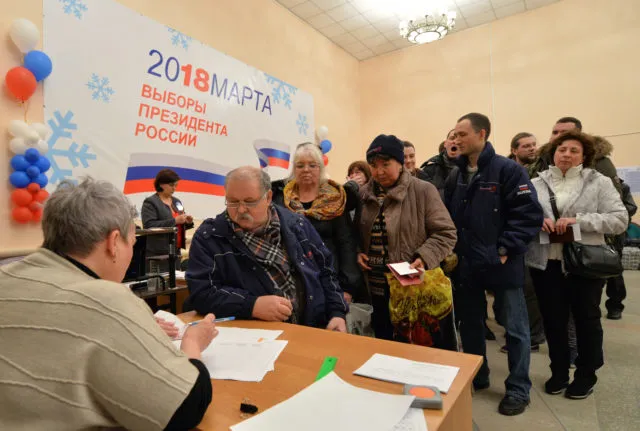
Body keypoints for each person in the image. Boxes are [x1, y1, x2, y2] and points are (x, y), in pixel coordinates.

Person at [0, 178, 216, 430]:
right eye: (132, 243)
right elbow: (185, 409)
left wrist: (128, 327)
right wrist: (192, 343)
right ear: (114, 242)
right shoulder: (107, 299)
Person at [445, 113, 544, 416]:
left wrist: (504, 248)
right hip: (467, 265)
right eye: (454, 135)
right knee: (471, 326)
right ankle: (478, 375)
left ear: (482, 134)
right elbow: (448, 218)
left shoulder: (508, 170)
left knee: (515, 329)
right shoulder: (455, 175)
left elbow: (528, 215)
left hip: (502, 263)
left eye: (462, 134)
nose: (456, 139)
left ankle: (518, 388)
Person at [525, 131, 627, 399]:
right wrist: (536, 222)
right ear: (553, 153)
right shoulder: (535, 184)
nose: (567, 155)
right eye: (562, 149)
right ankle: (558, 372)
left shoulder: (599, 182)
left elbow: (619, 220)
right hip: (547, 263)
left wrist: (579, 220)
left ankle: (586, 374)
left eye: (574, 150)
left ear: (584, 156)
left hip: (585, 264)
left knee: (587, 320)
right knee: (553, 321)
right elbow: (520, 216)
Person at [185, 166, 348, 332]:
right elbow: (201, 293)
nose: (241, 209)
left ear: (268, 197)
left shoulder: (297, 225)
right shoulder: (209, 237)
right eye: (233, 202)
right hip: (256, 338)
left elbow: (326, 271)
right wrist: (251, 305)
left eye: (250, 201)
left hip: (312, 330)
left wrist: (337, 313)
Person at [357, 134, 457, 349]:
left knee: (417, 347)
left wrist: (424, 257)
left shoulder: (423, 190)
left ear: (400, 163)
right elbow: (356, 232)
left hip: (413, 288)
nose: (379, 171)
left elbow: (446, 232)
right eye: (373, 165)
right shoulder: (363, 195)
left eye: (386, 164)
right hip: (376, 287)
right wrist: (359, 251)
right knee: (384, 344)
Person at [272, 143, 363, 303]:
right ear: (294, 169)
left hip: (329, 280)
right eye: (300, 165)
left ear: (320, 168)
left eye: (312, 165)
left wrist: (347, 287)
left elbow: (346, 244)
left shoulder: (334, 200)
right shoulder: (281, 200)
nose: (306, 170)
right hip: (292, 282)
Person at [500, 132, 547, 354]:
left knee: (529, 291)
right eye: (526, 145)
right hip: (514, 240)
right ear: (514, 149)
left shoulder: (543, 171)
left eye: (533, 145)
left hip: (534, 239)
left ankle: (534, 335)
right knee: (518, 292)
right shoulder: (505, 171)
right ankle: (518, 331)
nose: (532, 148)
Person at [141, 169, 194, 272]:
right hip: (158, 254)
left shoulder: (177, 201)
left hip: (176, 251)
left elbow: (178, 225)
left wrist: (187, 222)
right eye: (171, 185)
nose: (174, 188)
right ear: (161, 184)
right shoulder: (150, 202)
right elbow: (149, 226)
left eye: (176, 185)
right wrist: (175, 221)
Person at [606, 179, 637, 320]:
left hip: (615, 235)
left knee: (614, 272)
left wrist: (614, 212)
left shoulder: (622, 186)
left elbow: (631, 207)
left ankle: (615, 306)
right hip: (595, 233)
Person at [421, 129, 461, 198]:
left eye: (458, 139)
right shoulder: (430, 168)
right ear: (445, 144)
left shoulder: (470, 169)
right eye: (452, 138)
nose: (454, 141)